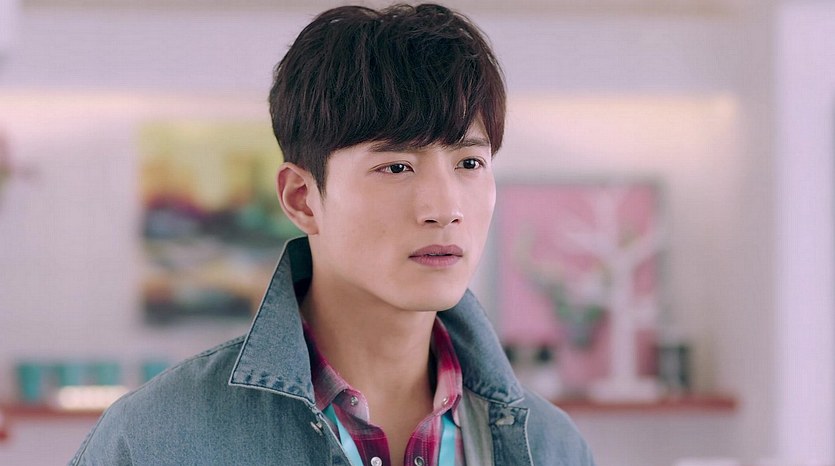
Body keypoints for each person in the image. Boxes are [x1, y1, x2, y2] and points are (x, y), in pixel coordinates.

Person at [70, 3, 595, 465]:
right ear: (302, 198)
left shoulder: (551, 447)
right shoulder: (156, 440)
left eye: (470, 163)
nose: (445, 209)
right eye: (396, 167)